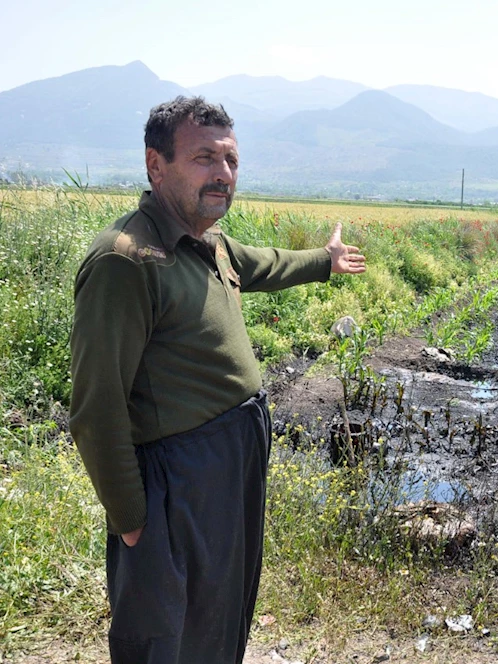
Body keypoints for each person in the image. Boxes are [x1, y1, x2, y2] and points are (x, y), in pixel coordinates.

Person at [69, 96, 366, 663]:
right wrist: (133, 522)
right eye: (205, 158)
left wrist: (325, 261)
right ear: (156, 165)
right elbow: (96, 406)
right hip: (176, 482)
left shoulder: (207, 245)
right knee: (163, 632)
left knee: (217, 614)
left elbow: (267, 264)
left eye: (230, 160)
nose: (223, 174)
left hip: (226, 471)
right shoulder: (127, 260)